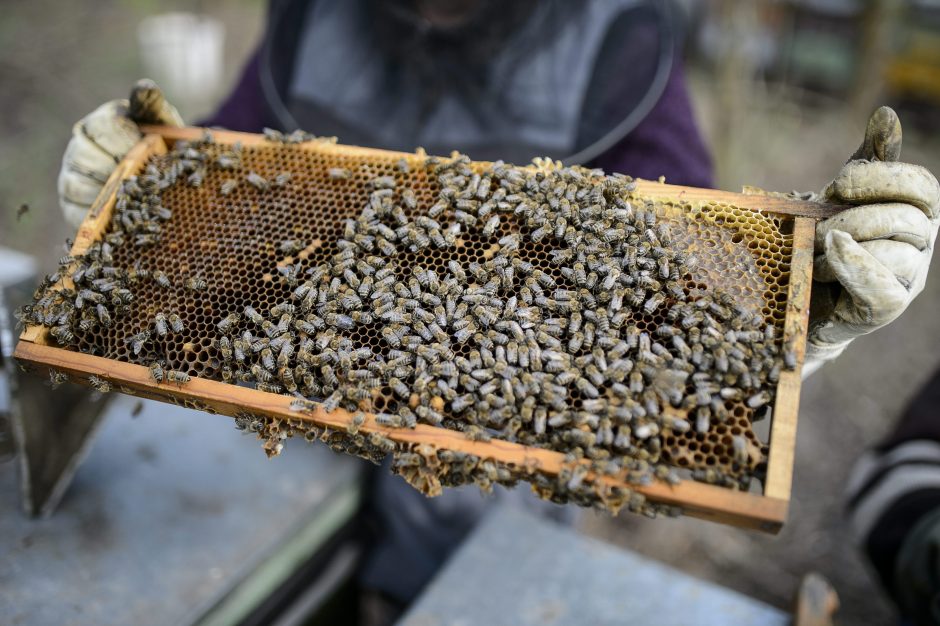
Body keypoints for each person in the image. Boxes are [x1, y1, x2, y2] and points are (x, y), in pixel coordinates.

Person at [55, 0, 940, 619]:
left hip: (487, 483)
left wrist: (788, 317)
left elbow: (688, 277)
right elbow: (235, 170)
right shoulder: (313, 12)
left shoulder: (617, 33)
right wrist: (141, 205)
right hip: (281, 442)